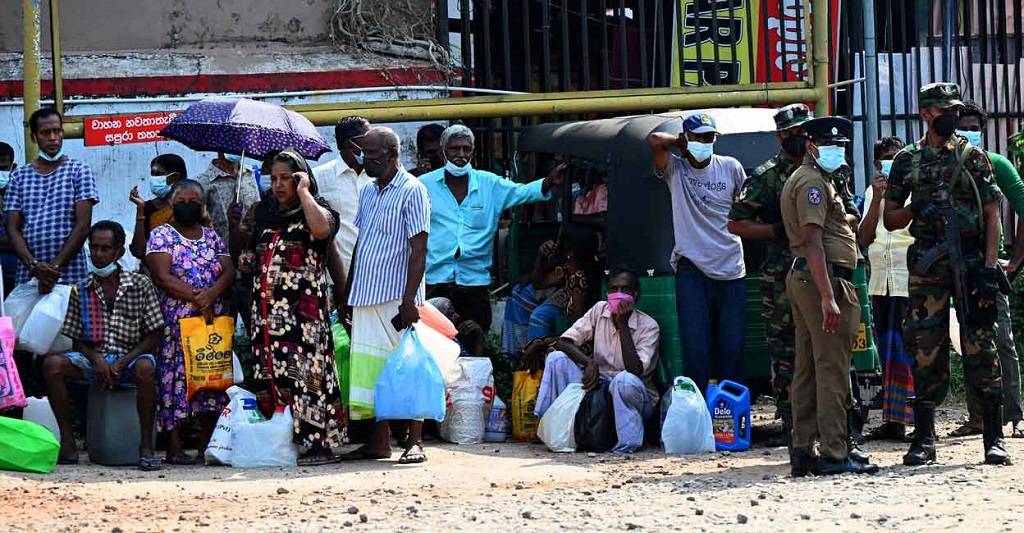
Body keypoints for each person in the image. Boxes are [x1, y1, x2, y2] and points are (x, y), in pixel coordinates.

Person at [884, 82, 1011, 466]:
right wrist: (914, 209)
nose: (952, 117)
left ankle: (993, 436)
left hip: (971, 266)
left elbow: (992, 216)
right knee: (926, 350)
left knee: (981, 348)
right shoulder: (907, 160)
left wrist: (991, 268)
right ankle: (924, 438)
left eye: (955, 110)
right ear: (926, 114)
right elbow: (890, 219)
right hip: (927, 269)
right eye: (944, 111)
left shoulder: (973, 157)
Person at [780, 116, 878, 476]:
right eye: (831, 146)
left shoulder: (816, 179)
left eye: (841, 146)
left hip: (809, 278)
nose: (838, 152)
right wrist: (828, 296)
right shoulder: (811, 183)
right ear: (811, 147)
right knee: (833, 368)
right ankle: (836, 453)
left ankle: (804, 450)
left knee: (807, 368)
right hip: (823, 280)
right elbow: (812, 240)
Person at [241, 149, 344, 465]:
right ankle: (279, 441)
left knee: (306, 375)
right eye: (273, 179)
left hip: (303, 316)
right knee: (270, 374)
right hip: (267, 317)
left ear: (302, 177)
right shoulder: (263, 213)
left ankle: (316, 444)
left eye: (287, 178)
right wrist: (246, 258)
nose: (278, 185)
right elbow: (250, 253)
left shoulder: (319, 210)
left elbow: (321, 231)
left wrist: (304, 192)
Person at [340, 127, 431, 464]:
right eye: (363, 153)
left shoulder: (413, 190)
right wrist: (348, 293)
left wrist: (409, 300)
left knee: (407, 366)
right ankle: (379, 443)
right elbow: (361, 245)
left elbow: (419, 249)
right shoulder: (367, 191)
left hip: (396, 296)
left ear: (393, 155)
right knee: (370, 369)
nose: (365, 159)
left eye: (372, 154)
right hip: (365, 293)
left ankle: (415, 441)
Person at [41, 221, 164, 470]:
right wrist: (96, 359)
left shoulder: (140, 284)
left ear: (119, 252)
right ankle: (68, 444)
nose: (98, 255)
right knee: (52, 364)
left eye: (105, 249)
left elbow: (154, 335)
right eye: (94, 248)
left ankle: (146, 447)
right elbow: (76, 339)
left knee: (146, 369)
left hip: (130, 358)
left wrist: (122, 361)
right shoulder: (81, 289)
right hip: (94, 359)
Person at [728, 103, 813, 443]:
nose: (802, 138)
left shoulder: (826, 167)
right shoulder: (766, 176)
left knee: (825, 347)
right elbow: (736, 222)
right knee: (786, 350)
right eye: (794, 133)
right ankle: (792, 424)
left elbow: (849, 210)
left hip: (822, 271)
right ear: (781, 136)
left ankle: (831, 421)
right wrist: (775, 231)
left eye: (806, 131)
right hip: (781, 275)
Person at [422, 124, 561, 332]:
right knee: (435, 343)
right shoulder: (423, 185)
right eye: (454, 149)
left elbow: (522, 192)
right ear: (443, 151)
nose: (461, 154)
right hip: (436, 281)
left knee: (475, 341)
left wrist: (550, 181)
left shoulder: (489, 183)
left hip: (474, 283)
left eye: (466, 149)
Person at [648, 112, 747, 394]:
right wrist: (681, 143)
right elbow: (654, 141)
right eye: (699, 137)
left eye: (709, 138)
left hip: (731, 268)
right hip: (692, 267)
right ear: (687, 138)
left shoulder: (730, 167)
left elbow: (747, 209)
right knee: (696, 348)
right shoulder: (675, 170)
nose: (704, 142)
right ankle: (700, 415)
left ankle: (731, 413)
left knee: (732, 347)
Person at [145, 179, 236, 464]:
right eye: (182, 201)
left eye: (194, 202)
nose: (188, 206)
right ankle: (174, 447)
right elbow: (162, 276)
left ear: (202, 206)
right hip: (177, 323)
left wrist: (212, 295)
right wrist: (200, 299)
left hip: (212, 323)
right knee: (174, 382)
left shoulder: (211, 237)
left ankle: (208, 445)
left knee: (211, 380)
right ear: (172, 204)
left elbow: (229, 271)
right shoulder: (160, 235)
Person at [950, 100, 1024, 439]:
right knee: (966, 342)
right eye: (961, 126)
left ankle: (1014, 416)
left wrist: (1017, 260)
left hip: (987, 266)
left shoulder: (996, 164)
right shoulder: (939, 165)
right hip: (948, 267)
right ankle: (978, 417)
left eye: (973, 128)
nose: (967, 133)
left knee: (1000, 340)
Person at [534, 270, 660, 453]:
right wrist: (589, 363)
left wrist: (623, 325)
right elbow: (564, 341)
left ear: (635, 295)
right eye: (613, 289)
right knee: (557, 359)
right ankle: (552, 428)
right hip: (599, 384)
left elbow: (634, 370)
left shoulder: (649, 326)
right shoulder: (600, 310)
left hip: (634, 393)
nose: (618, 294)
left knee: (623, 381)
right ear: (607, 294)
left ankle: (627, 444)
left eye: (624, 290)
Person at [858, 136, 915, 442]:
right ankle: (893, 421)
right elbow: (864, 238)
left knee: (910, 353)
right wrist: (878, 199)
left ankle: (918, 421)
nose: (890, 162)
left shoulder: (916, 190)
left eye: (896, 157)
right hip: (880, 283)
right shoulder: (870, 194)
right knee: (887, 353)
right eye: (885, 158)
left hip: (910, 280)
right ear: (878, 164)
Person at [6, 107, 98, 292]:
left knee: (72, 320)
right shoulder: (19, 176)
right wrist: (34, 266)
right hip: (29, 276)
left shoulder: (79, 170)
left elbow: (83, 225)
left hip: (70, 274)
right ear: (34, 137)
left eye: (57, 131)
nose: (53, 137)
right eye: (45, 132)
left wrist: (53, 269)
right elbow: (12, 228)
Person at [313, 116, 372, 275]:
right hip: (338, 276)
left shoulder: (380, 175)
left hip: (378, 274)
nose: (374, 143)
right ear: (351, 144)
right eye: (368, 138)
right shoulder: (319, 177)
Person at [129, 154, 188, 260]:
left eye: (159, 174)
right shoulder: (147, 208)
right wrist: (140, 209)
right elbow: (139, 251)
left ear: (175, 177)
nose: (154, 179)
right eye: (153, 174)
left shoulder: (191, 206)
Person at [194, 151, 259, 245]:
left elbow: (256, 208)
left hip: (250, 247)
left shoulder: (249, 175)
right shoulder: (203, 181)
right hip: (221, 248)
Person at [0, 141, 18, 295]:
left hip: (18, 274)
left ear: (13, 166)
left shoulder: (24, 192)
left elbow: (25, 237)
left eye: (3, 168)